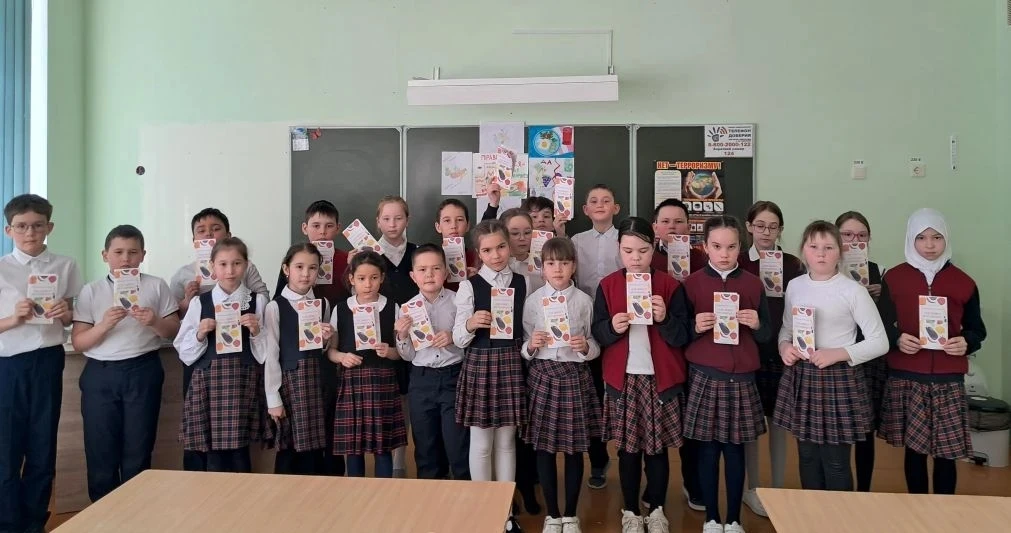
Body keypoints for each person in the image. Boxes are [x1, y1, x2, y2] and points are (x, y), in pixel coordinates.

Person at [592, 217, 692, 533]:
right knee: (628, 450)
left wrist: (664, 319)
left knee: (657, 450)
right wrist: (612, 328)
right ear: (619, 249)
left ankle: (657, 509)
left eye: (643, 251)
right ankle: (631, 510)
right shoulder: (608, 285)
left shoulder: (670, 286)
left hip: (659, 379)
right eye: (628, 251)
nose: (635, 258)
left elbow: (682, 336)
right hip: (623, 379)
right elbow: (598, 333)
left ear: (654, 248)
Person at [773, 221, 888, 491]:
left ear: (840, 251)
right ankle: (811, 512)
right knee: (807, 456)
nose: (821, 254)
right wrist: (784, 347)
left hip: (838, 379)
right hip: (803, 377)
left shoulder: (853, 291)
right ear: (803, 250)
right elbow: (786, 329)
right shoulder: (795, 286)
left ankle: (839, 514)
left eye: (828, 247)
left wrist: (839, 353)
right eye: (814, 247)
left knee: (835, 462)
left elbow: (880, 342)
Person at [879, 208, 985, 495]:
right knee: (914, 452)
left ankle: (943, 510)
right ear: (910, 240)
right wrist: (897, 339)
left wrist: (966, 341)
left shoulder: (964, 282)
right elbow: (880, 325)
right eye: (921, 237)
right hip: (907, 375)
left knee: (946, 454)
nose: (929, 245)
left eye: (937, 237)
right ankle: (917, 508)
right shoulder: (894, 278)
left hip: (948, 379)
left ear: (946, 239)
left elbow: (977, 329)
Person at [72, 225, 179, 501]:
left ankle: (136, 512)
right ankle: (102, 514)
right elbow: (79, 342)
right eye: (118, 252)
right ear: (105, 255)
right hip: (100, 374)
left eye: (133, 252)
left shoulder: (156, 285)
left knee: (139, 449)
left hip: (143, 369)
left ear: (143, 255)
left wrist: (154, 321)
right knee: (100, 450)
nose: (125, 259)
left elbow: (174, 331)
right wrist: (104, 325)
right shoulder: (91, 290)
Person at [0, 194, 83, 533]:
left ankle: (35, 522)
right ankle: (8, 524)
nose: (30, 233)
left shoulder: (66, 265)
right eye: (21, 226)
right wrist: (12, 319)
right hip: (8, 365)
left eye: (37, 225)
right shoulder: (1, 268)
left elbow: (73, 317)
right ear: (8, 230)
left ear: (49, 227)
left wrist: (66, 314)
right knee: (7, 447)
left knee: (42, 443)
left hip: (48, 360)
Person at [683, 216, 770, 533]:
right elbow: (678, 334)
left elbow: (767, 334)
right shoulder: (691, 283)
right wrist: (694, 326)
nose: (724, 254)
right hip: (705, 375)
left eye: (731, 247)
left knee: (735, 450)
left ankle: (733, 518)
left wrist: (757, 324)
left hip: (742, 377)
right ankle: (711, 517)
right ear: (705, 247)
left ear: (740, 247)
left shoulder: (753, 284)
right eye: (717, 246)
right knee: (707, 450)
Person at [453, 220, 531, 533]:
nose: (496, 255)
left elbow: (528, 330)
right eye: (487, 250)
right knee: (481, 441)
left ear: (509, 245)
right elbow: (459, 338)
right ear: (478, 253)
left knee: (507, 442)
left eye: (500, 247)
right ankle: (482, 510)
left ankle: (506, 512)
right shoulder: (468, 286)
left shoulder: (524, 282)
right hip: (480, 364)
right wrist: (471, 323)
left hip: (511, 362)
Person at [522, 237, 602, 533]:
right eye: (551, 263)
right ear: (542, 267)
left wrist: (585, 347)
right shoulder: (533, 301)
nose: (558, 269)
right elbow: (524, 346)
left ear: (574, 266)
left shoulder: (584, 301)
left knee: (573, 449)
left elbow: (595, 344)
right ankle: (552, 515)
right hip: (542, 376)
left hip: (574, 377)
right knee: (544, 449)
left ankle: (570, 514)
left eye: (564, 263)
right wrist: (531, 345)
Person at [175, 238, 270, 473]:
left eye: (237, 263)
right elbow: (183, 352)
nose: (230, 271)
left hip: (242, 382)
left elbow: (265, 354)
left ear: (246, 265)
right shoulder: (200, 303)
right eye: (223, 264)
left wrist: (256, 331)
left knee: (240, 453)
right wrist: (199, 334)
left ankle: (242, 496)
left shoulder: (257, 301)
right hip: (209, 382)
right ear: (212, 267)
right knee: (212, 455)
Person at [738, 200, 803, 516]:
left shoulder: (793, 264)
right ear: (749, 227)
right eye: (760, 225)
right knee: (750, 426)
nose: (766, 232)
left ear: (780, 229)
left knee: (779, 424)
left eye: (773, 226)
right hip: (748, 353)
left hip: (783, 352)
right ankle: (752, 488)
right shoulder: (738, 261)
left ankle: (777, 488)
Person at [394, 245, 470, 480]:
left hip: (454, 376)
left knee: (458, 444)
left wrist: (453, 337)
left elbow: (470, 341)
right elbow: (408, 356)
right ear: (413, 276)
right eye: (422, 270)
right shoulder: (406, 309)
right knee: (426, 445)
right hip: (422, 379)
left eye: (436, 268)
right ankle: (431, 494)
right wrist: (402, 336)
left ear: (445, 272)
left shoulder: (459, 302)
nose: (429, 275)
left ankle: (464, 493)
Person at [327, 251, 407, 478]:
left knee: (383, 448)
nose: (368, 284)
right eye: (361, 278)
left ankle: (384, 491)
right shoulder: (341, 308)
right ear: (351, 279)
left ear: (382, 278)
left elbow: (401, 353)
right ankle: (356, 492)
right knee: (353, 449)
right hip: (351, 382)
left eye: (374, 278)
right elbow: (331, 351)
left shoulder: (393, 307)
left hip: (382, 383)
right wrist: (342, 357)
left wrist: (389, 351)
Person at [263, 243, 333, 474]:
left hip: (317, 383)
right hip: (290, 384)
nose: (306, 274)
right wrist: (273, 398)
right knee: (290, 449)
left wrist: (326, 339)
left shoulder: (323, 304)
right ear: (286, 269)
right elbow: (271, 354)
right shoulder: (275, 307)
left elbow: (322, 350)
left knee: (316, 449)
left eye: (312, 268)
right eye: (299, 267)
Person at [835, 211, 891, 491]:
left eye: (861, 235)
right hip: (836, 356)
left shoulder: (878, 270)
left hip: (868, 358)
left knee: (865, 429)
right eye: (847, 235)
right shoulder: (825, 268)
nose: (854, 240)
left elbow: (887, 323)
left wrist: (880, 298)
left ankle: (864, 490)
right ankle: (838, 488)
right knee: (838, 428)